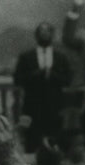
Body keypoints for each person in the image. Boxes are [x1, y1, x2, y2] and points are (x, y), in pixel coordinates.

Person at [13, 22, 72, 152]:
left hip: (55, 108)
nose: (44, 34)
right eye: (41, 31)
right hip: (32, 108)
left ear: (52, 35)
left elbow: (68, 80)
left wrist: (53, 75)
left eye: (47, 31)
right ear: (36, 35)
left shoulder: (61, 57)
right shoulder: (26, 57)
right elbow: (17, 80)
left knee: (55, 143)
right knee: (32, 144)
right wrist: (35, 75)